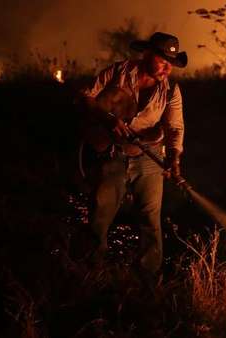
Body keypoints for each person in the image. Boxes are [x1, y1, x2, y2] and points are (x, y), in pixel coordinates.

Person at [80, 32, 187, 276]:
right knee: (100, 212)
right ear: (147, 54)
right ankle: (91, 271)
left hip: (149, 158)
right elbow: (85, 96)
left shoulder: (171, 91)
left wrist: (174, 158)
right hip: (112, 152)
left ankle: (148, 278)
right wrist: (108, 120)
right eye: (162, 61)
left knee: (150, 219)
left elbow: (175, 127)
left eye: (171, 64)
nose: (167, 69)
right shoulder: (118, 73)